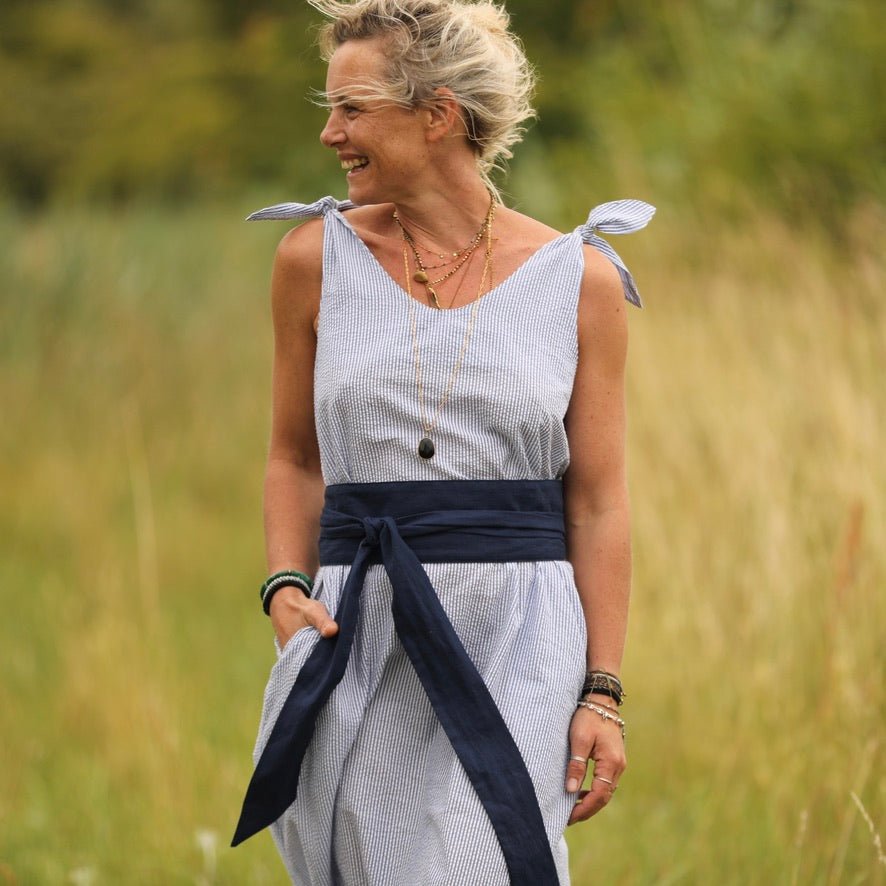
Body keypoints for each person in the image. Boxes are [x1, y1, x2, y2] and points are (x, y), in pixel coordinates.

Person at [232, 1, 654, 883]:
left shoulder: (578, 280)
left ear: (437, 115)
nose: (330, 134)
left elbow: (598, 500)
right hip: (358, 629)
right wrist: (283, 585)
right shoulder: (312, 259)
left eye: (352, 109)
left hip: (519, 639)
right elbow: (294, 456)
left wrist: (603, 691)